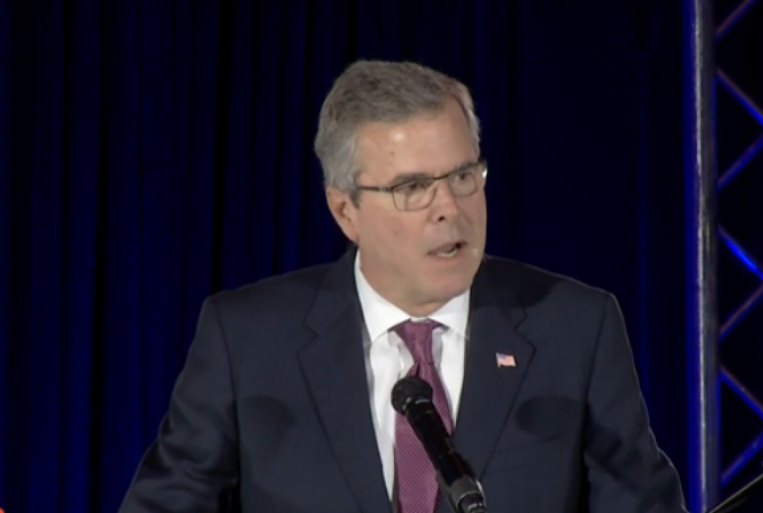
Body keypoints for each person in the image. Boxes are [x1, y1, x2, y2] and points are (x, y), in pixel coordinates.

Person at [118, 59, 688, 513]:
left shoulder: (575, 329)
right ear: (345, 210)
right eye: (412, 187)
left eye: (463, 175)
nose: (450, 209)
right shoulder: (247, 342)